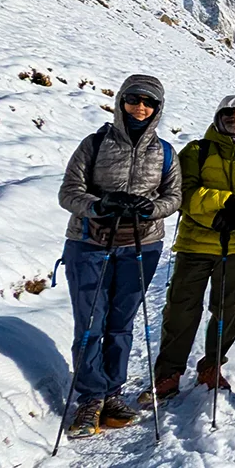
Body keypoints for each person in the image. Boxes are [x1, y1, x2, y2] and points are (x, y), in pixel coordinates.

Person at [57, 74, 182, 439]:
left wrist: (151, 209)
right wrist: (99, 205)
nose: (140, 108)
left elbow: (174, 197)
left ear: (157, 109)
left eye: (149, 103)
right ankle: (90, 397)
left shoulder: (166, 153)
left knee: (121, 323)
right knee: (90, 323)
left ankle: (112, 392)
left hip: (141, 246)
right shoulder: (94, 144)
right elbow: (68, 192)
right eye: (134, 100)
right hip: (88, 243)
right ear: (121, 101)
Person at [139, 95, 235, 404]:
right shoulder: (197, 151)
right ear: (218, 117)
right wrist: (225, 204)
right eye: (229, 112)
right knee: (181, 308)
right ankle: (169, 373)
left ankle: (212, 366)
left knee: (227, 308)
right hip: (195, 242)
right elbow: (183, 193)